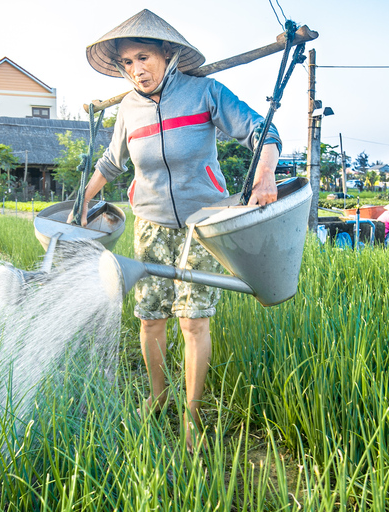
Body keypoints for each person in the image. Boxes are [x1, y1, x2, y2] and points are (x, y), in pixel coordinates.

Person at [77, 9, 281, 451]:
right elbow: (112, 163)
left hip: (203, 223)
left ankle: (191, 413)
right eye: (126, 63)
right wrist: (86, 198)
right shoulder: (128, 109)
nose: (135, 70)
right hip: (149, 226)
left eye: (143, 57)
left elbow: (262, 133)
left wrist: (265, 174)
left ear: (167, 54)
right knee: (150, 322)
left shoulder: (205, 92)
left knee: (193, 322)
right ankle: (157, 394)